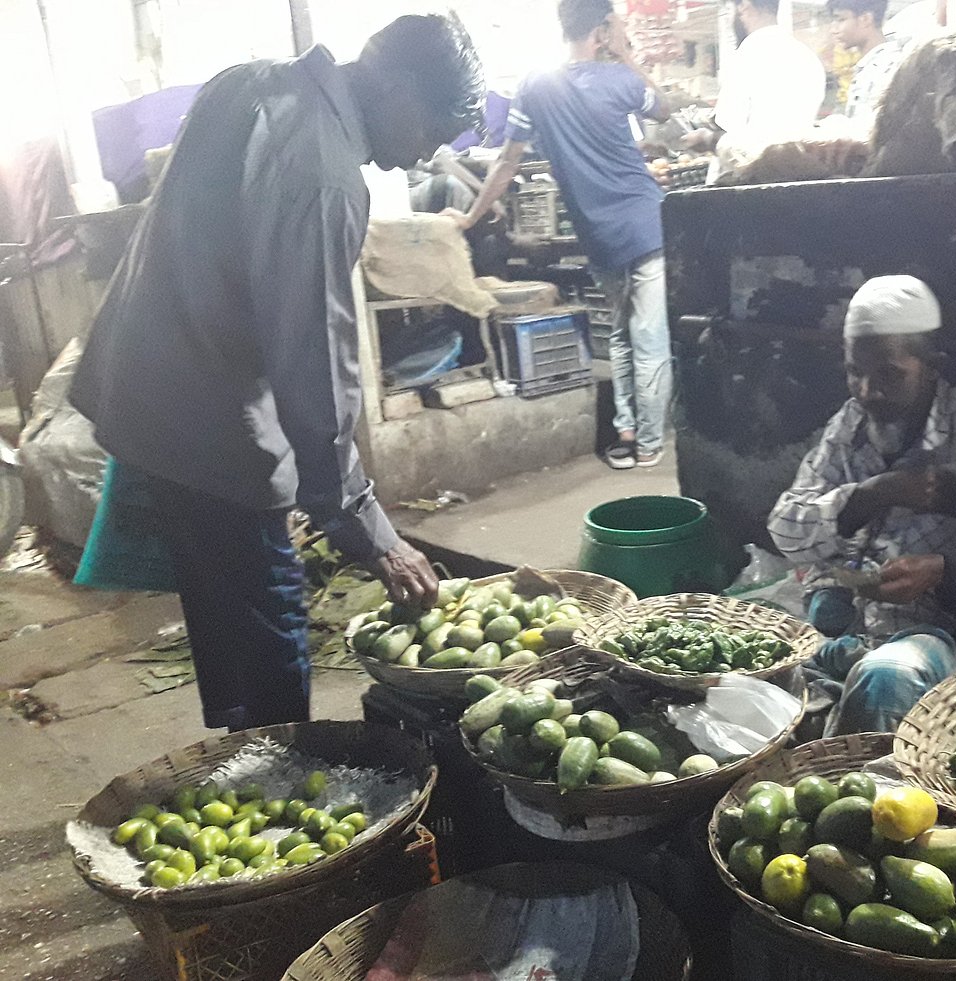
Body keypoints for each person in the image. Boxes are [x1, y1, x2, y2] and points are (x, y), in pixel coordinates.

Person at [69, 15, 486, 731]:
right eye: (433, 131)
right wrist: (370, 529)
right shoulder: (323, 177)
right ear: (396, 87)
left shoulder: (251, 83)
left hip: (146, 384)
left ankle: (247, 750)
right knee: (269, 614)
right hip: (210, 414)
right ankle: (286, 783)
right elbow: (315, 366)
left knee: (224, 600)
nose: (421, 158)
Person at [768, 276, 956, 735]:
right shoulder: (850, 422)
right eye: (855, 372)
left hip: (942, 635)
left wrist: (943, 570)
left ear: (932, 366)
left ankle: (861, 795)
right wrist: (875, 493)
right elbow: (785, 528)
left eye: (889, 374)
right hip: (850, 626)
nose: (868, 391)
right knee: (763, 671)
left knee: (886, 678)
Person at [448, 0, 674, 470]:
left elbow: (506, 164)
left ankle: (626, 432)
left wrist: (470, 218)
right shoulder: (621, 80)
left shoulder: (534, 86)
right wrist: (627, 53)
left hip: (597, 232)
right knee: (649, 336)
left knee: (619, 332)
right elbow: (666, 109)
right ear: (601, 30)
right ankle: (650, 445)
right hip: (645, 221)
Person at [687, 0, 827, 181]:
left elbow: (729, 128)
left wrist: (706, 138)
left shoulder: (747, 54)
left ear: (744, 6)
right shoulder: (808, 56)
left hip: (751, 178)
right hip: (798, 173)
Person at [828, 0, 907, 131]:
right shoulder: (871, 64)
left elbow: (869, 130)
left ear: (866, 19)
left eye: (841, 20)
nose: (833, 30)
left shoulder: (887, 66)